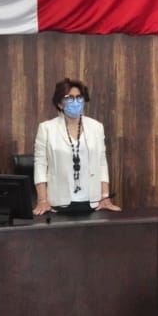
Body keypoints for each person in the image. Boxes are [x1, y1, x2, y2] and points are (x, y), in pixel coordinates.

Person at [32, 78, 120, 215]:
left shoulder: (96, 127)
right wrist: (42, 200)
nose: (75, 102)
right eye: (69, 98)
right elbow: (40, 165)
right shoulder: (46, 128)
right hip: (59, 203)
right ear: (60, 104)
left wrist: (105, 197)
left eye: (79, 97)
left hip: (92, 202)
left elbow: (101, 163)